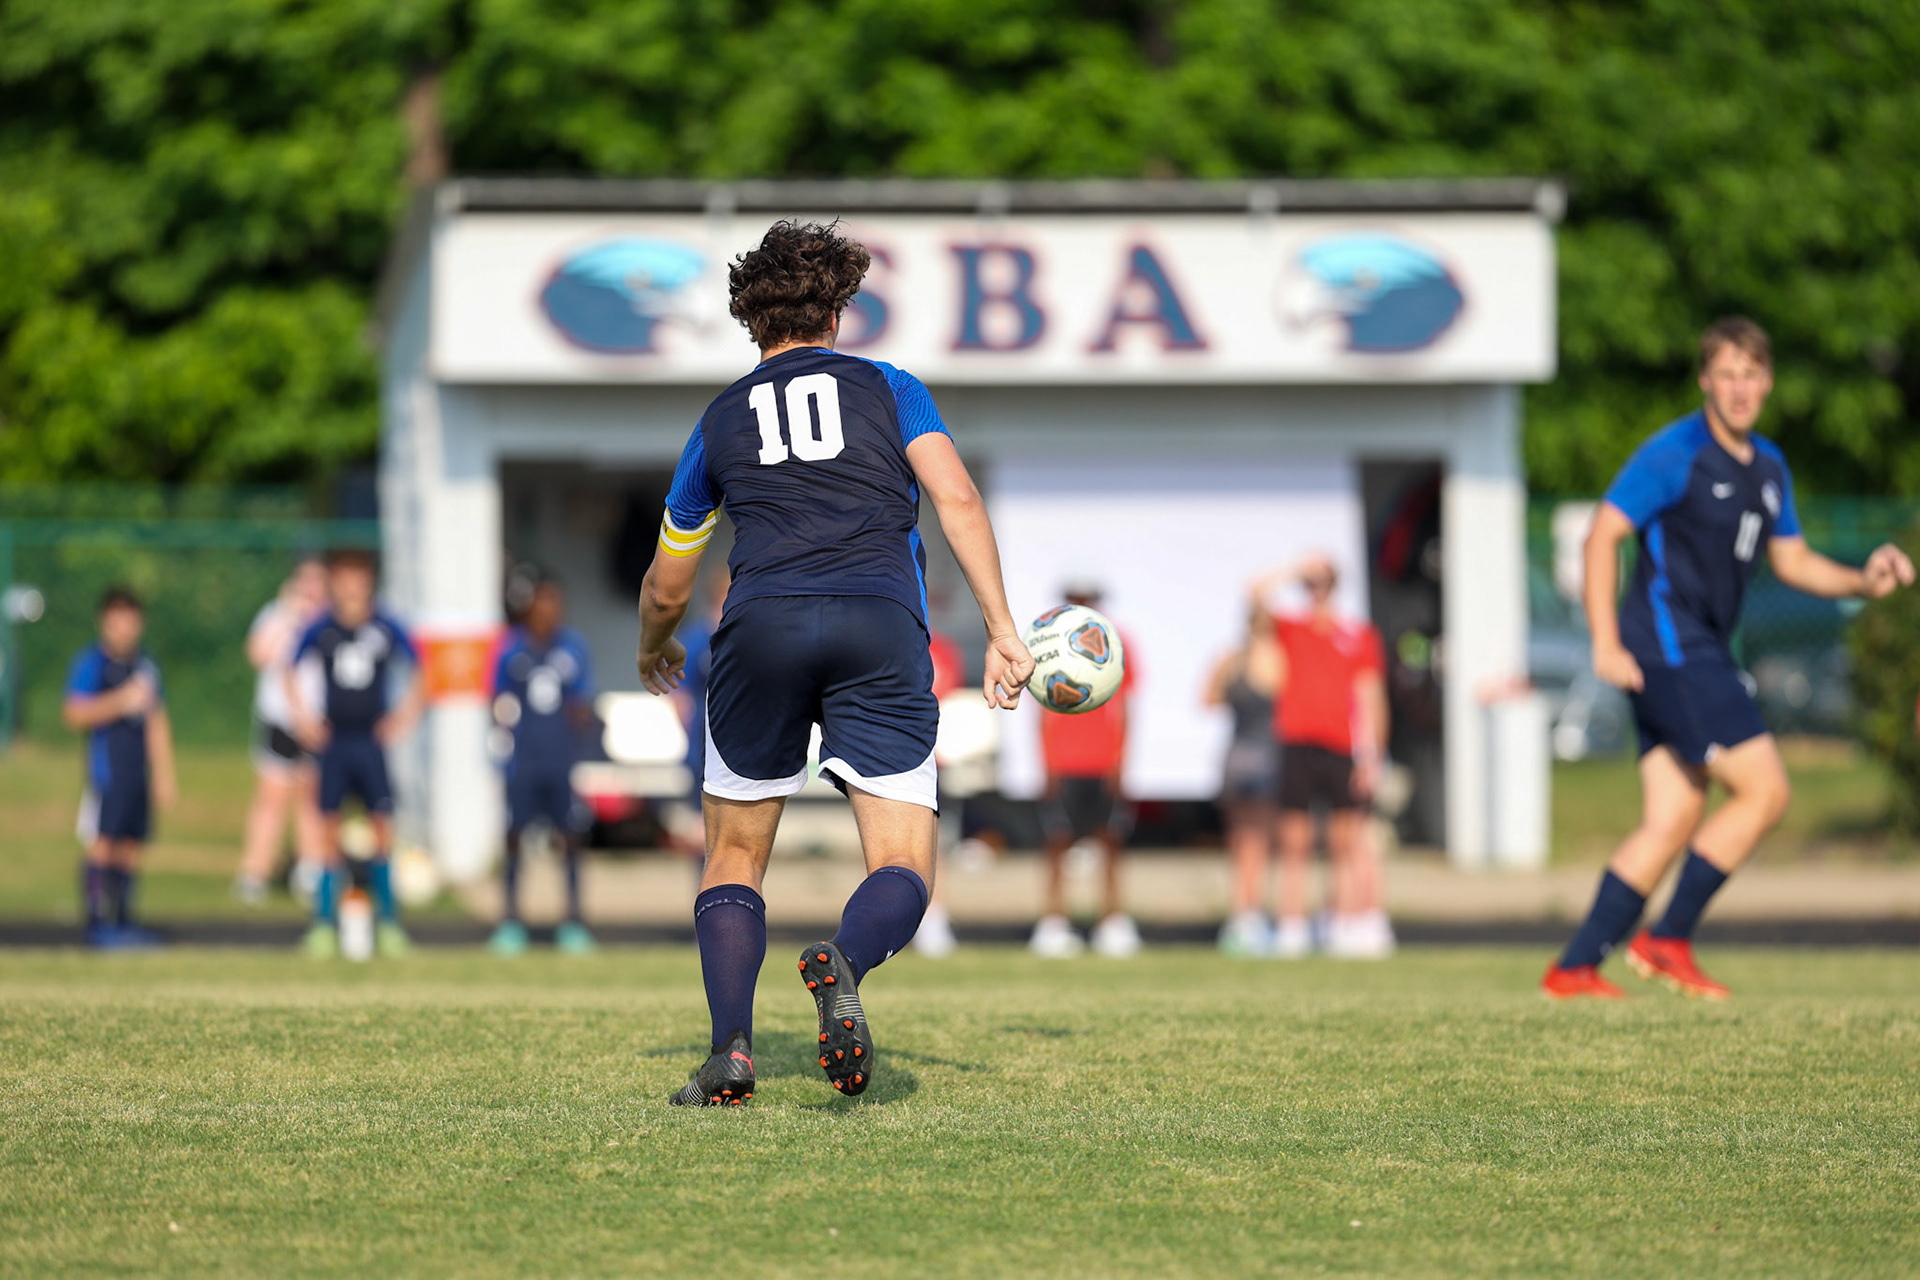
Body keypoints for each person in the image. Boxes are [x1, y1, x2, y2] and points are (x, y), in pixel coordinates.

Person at [635, 219, 1033, 1106]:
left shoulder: (718, 419)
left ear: (750, 320)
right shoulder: (894, 389)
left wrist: (653, 645)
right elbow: (956, 497)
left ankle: (731, 1054)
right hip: (879, 623)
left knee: (734, 855)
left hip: (761, 626)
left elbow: (668, 584)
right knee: (902, 864)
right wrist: (1004, 628)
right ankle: (844, 964)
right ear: (840, 310)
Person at [1544, 317, 1914, 999]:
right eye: (1727, 373)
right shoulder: (1675, 452)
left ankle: (1571, 969)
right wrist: (1604, 640)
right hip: (1669, 646)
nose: (1740, 387)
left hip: (1698, 647)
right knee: (1766, 789)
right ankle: (1666, 939)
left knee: (1675, 817)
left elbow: (1793, 560)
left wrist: (1863, 580)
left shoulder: (1769, 467)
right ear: (1704, 380)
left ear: (1767, 382)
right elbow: (1603, 535)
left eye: (1751, 374)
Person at [286, 549, 425, 960]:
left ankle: (389, 923)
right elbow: (288, 669)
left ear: (369, 582)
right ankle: (324, 924)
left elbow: (422, 672)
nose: (350, 586)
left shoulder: (385, 626)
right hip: (336, 742)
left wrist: (402, 718)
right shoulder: (322, 628)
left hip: (370, 742)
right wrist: (304, 720)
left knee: (382, 829)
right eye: (343, 577)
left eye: (358, 577)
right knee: (327, 832)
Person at [1253, 555, 1392, 959]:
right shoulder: (1291, 628)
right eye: (1310, 583)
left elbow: (1371, 697)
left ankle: (1343, 920)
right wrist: (1295, 568)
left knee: (1344, 843)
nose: (1316, 590)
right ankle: (1292, 925)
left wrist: (1372, 754)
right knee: (1294, 842)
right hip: (1297, 741)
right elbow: (1254, 593)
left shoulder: (1357, 634)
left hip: (1340, 745)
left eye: (1323, 582)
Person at [488, 577, 598, 956]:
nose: (549, 611)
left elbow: (582, 701)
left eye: (555, 603)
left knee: (568, 837)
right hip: (524, 761)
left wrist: (580, 734)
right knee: (516, 837)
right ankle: (511, 921)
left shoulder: (572, 648)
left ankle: (572, 921)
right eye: (543, 603)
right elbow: (497, 701)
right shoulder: (511, 649)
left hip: (559, 760)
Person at [1031, 580, 1140, 959]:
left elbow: (1126, 709)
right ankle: (1054, 922)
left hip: (1101, 760)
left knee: (1109, 844)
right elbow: (1040, 710)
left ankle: (1111, 921)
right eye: (1076, 598)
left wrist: (1120, 762)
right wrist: (1045, 762)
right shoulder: (1047, 643)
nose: (1083, 603)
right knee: (1058, 845)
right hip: (1064, 761)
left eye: (1089, 598)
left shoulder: (1117, 643)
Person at [64, 586, 176, 948]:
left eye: (130, 619)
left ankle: (125, 921)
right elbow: (75, 713)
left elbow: (157, 719)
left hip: (137, 770)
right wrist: (119, 701)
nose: (124, 627)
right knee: (103, 843)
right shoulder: (93, 663)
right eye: (117, 619)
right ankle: (97, 924)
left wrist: (163, 773)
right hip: (106, 769)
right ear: (104, 622)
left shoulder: (145, 665)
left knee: (131, 845)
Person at [234, 558, 328, 905]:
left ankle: (311, 871)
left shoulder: (330, 621)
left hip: (317, 723)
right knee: (271, 800)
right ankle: (254, 872)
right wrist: (289, 615)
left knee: (312, 801)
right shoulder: (277, 615)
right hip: (279, 721)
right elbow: (257, 654)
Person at [1204, 601, 1283, 955]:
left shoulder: (1230, 658)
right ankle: (1252, 916)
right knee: (1260, 842)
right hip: (1267, 755)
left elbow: (1209, 698)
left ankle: (1240, 915)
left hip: (1237, 756)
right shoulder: (1280, 659)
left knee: (1240, 842)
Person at [911, 623, 967, 958]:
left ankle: (934, 917)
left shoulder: (943, 648)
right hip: (885, 758)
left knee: (932, 842)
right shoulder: (887, 637)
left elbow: (943, 693)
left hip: (929, 757)